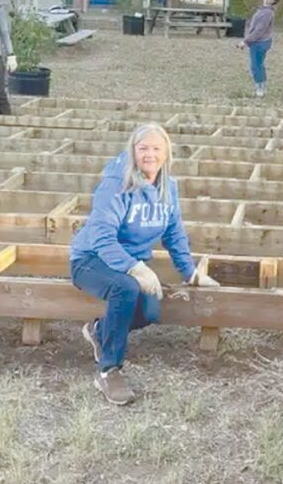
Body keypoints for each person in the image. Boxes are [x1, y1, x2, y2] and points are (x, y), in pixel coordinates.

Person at [69, 123, 220, 405]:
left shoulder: (167, 187)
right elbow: (102, 236)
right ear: (133, 152)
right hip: (91, 259)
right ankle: (107, 371)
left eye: (156, 148)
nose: (149, 155)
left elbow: (174, 231)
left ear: (166, 153)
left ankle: (99, 331)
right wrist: (134, 268)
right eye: (143, 149)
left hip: (128, 262)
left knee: (150, 311)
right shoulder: (117, 184)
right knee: (126, 289)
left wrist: (191, 273)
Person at [236, 0, 283, 98]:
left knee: (256, 66)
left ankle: (260, 88)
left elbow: (259, 31)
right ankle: (261, 86)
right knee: (258, 65)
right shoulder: (263, 10)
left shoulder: (267, 12)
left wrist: (245, 41)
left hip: (260, 42)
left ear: (273, 1)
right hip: (258, 42)